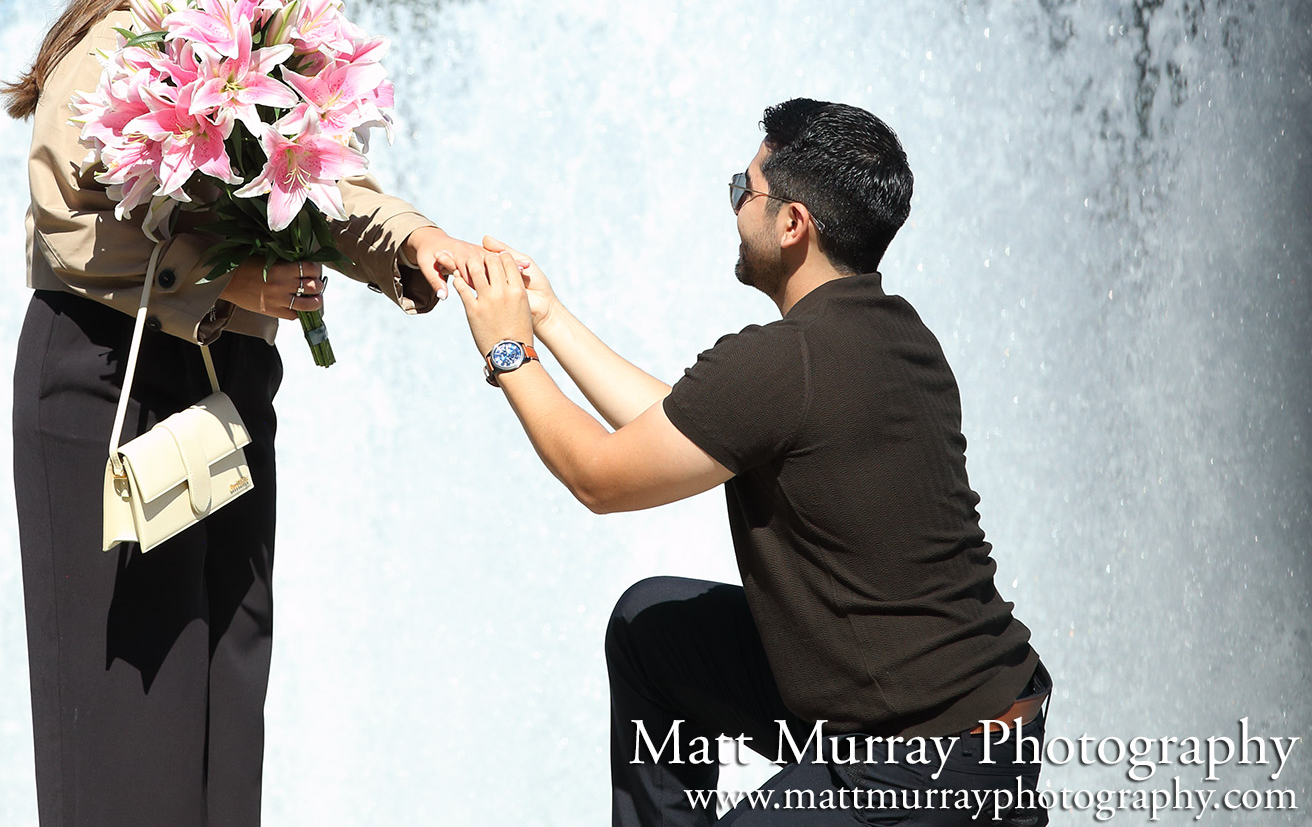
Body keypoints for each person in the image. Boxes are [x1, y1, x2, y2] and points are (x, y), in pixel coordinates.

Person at [1, 0, 487, 827]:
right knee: (129, 716)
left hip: (226, 397)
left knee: (226, 697)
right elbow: (64, 223)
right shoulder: (110, 49)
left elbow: (324, 183)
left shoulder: (279, 46)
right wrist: (219, 283)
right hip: (107, 388)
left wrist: (414, 241)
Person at [450, 99, 1050, 826]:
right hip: (985, 717)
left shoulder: (781, 361)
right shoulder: (893, 333)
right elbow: (684, 425)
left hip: (919, 754)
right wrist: (548, 317)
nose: (734, 205)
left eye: (745, 188)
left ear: (793, 223)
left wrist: (508, 351)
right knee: (653, 631)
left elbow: (598, 478)